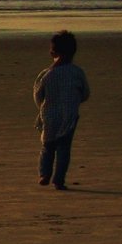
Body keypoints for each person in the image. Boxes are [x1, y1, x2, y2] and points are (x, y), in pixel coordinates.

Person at [33, 29, 89, 190]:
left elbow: (38, 95)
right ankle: (59, 179)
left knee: (47, 146)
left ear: (52, 52)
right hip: (69, 115)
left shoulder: (46, 74)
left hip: (49, 114)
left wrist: (43, 106)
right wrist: (76, 101)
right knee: (64, 148)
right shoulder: (77, 72)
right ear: (73, 52)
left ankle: (44, 174)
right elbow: (85, 93)